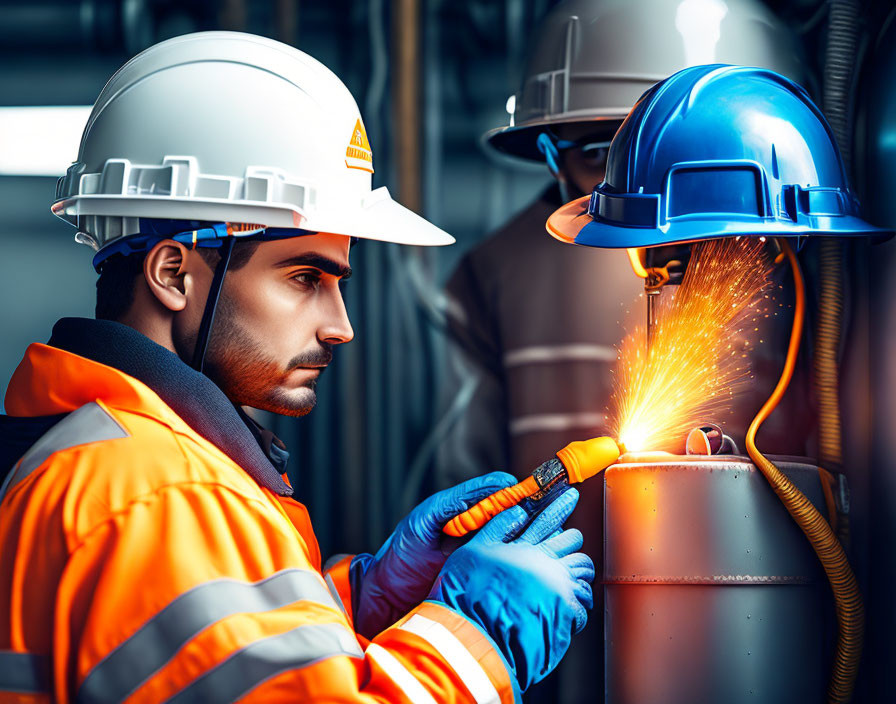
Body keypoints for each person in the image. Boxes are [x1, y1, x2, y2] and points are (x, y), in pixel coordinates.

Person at [0, 32, 594, 703]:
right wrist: (473, 638)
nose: (341, 326)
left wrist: (369, 596)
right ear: (174, 273)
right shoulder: (162, 495)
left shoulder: (110, 460)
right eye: (306, 276)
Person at [437, 1, 807, 701]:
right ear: (550, 153)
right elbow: (462, 482)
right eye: (602, 156)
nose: (636, 191)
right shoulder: (495, 275)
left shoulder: (817, 273)